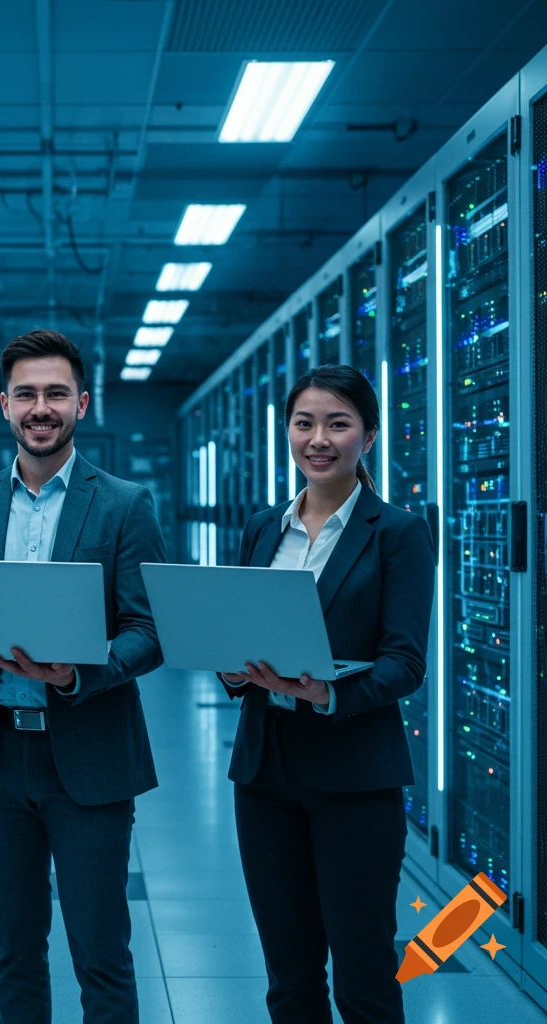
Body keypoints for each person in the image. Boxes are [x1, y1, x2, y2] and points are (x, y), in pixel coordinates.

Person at [0, 329, 165, 1024]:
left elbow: (150, 633)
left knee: (101, 952)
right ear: (5, 405)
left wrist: (78, 672)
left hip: (90, 756)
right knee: (12, 952)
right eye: (28, 394)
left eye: (56, 394)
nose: (42, 407)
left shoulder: (126, 503)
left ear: (82, 404)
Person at [220, 364, 435, 1024]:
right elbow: (238, 634)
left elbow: (405, 663)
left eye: (338, 424)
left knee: (364, 977)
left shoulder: (396, 532)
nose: (318, 438)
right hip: (265, 772)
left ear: (368, 437)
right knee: (289, 977)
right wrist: (231, 668)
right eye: (304, 423)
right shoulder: (264, 528)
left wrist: (324, 692)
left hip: (355, 779)